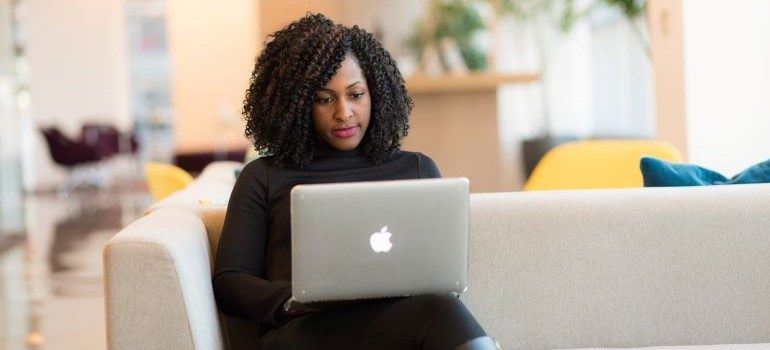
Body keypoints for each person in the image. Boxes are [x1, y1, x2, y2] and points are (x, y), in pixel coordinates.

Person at [213, 13, 499, 350]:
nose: (344, 112)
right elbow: (230, 282)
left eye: (356, 94)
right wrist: (297, 298)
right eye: (324, 99)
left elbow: (436, 269)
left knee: (443, 309)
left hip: (400, 324)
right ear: (298, 104)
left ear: (376, 94)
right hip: (305, 332)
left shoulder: (417, 169)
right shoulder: (263, 176)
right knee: (440, 315)